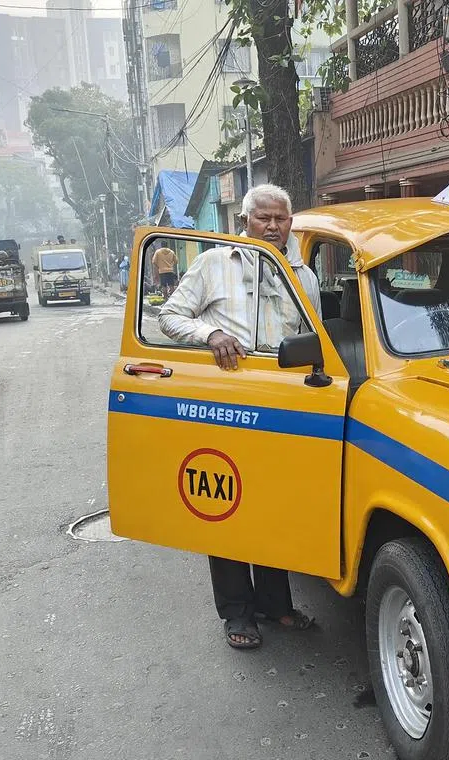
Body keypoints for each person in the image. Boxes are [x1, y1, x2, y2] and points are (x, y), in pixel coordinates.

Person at [158, 184, 321, 649]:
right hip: (226, 401)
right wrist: (210, 334)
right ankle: (237, 613)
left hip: (283, 402)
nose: (273, 226)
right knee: (226, 505)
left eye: (281, 219)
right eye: (263, 218)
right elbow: (171, 316)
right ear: (243, 222)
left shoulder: (302, 274)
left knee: (273, 505)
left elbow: (315, 334)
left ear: (291, 222)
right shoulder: (213, 264)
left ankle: (276, 605)